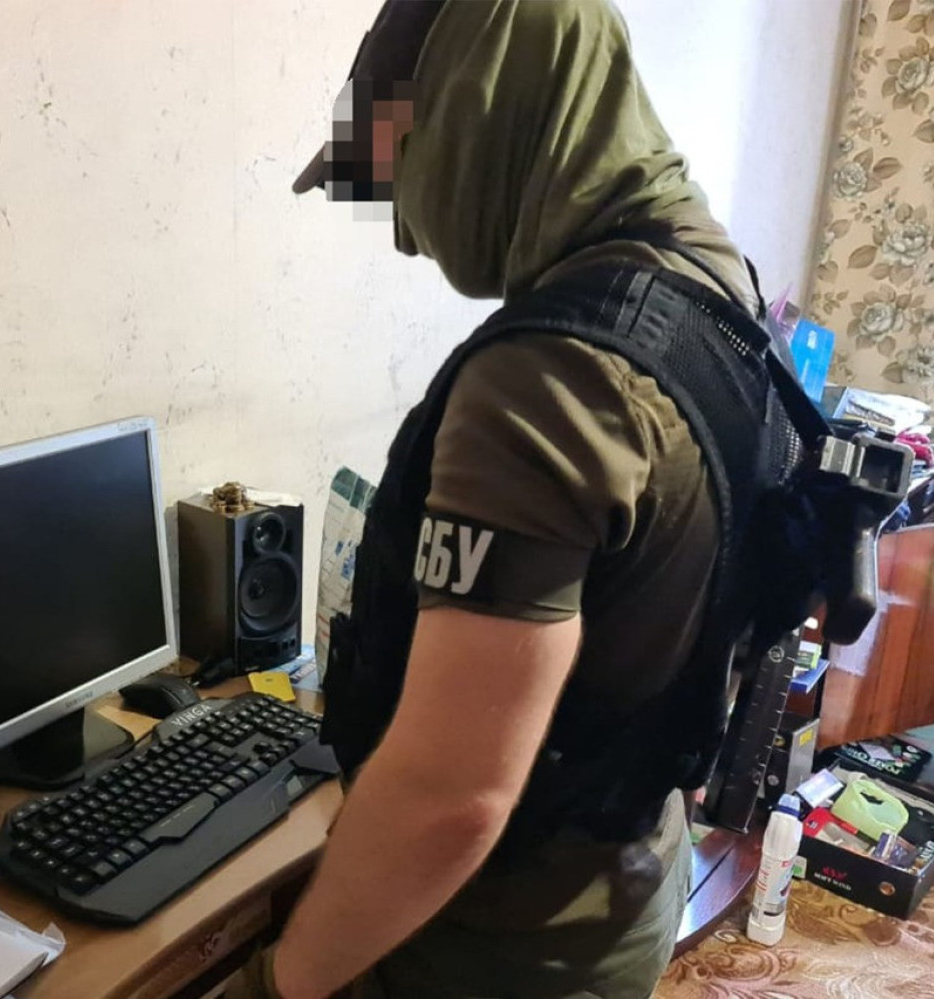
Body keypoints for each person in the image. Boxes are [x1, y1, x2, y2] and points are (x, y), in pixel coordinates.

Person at [267, 2, 771, 996]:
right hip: (627, 869)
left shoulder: (550, 383)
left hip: (502, 937)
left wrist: (281, 985)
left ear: (475, 116)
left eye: (402, 172)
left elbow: (451, 799)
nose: (404, 234)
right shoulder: (709, 278)